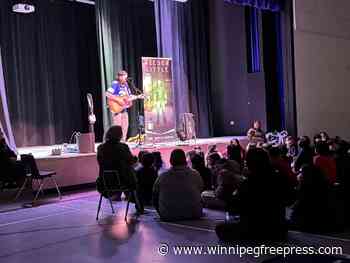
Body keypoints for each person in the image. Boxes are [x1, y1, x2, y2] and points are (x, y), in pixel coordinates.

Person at [215, 148, 288, 241]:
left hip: (257, 228)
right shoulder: (279, 176)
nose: (245, 163)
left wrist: (226, 190)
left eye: (247, 161)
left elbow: (235, 208)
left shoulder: (250, 182)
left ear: (251, 163)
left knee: (220, 228)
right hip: (279, 228)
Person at [96, 125, 143, 213]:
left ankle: (118, 195)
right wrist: (136, 158)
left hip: (105, 182)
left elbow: (101, 163)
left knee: (124, 171)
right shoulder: (123, 147)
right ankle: (138, 203)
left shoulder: (100, 148)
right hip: (123, 181)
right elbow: (131, 161)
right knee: (134, 174)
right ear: (120, 135)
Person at [152, 149, 204, 221]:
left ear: (171, 161)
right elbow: (200, 190)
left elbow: (155, 195)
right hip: (194, 213)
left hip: (168, 215)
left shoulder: (162, 177)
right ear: (185, 160)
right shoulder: (196, 174)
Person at [106, 70, 134, 141]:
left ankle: (123, 142)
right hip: (116, 109)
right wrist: (118, 100)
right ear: (119, 77)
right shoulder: (115, 84)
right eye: (124, 77)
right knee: (118, 127)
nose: (125, 79)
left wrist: (138, 96)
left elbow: (129, 96)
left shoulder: (126, 85)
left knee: (125, 125)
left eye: (126, 77)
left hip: (124, 108)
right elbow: (108, 94)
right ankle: (116, 142)